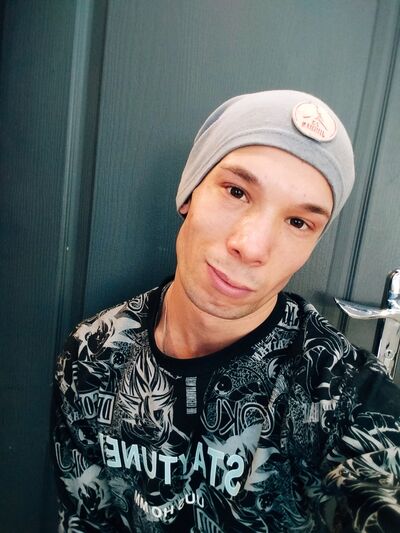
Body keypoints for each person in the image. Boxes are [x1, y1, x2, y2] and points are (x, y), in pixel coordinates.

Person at [53, 90, 400, 532]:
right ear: (189, 194)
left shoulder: (335, 390)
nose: (251, 247)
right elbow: (85, 517)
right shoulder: (93, 354)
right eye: (236, 191)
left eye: (298, 222)